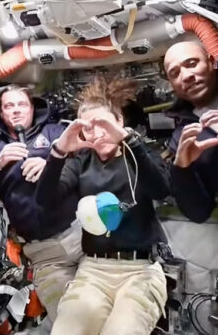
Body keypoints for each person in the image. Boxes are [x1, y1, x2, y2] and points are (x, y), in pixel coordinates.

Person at [35, 76, 169, 335]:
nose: (97, 135)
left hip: (140, 270)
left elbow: (161, 189)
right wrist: (58, 152)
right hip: (94, 270)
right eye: (88, 128)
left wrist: (130, 141)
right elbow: (44, 200)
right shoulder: (81, 161)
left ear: (119, 121)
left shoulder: (139, 155)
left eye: (103, 125)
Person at [0, 85, 83, 322]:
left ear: (32, 108)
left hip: (80, 236)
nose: (16, 110)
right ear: (2, 113)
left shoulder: (55, 132)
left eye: (22, 104)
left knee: (104, 305)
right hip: (43, 252)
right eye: (9, 106)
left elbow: (85, 161)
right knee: (68, 319)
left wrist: (52, 162)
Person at [164, 41, 218, 223]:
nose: (186, 76)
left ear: (211, 62)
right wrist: (181, 168)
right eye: (175, 73)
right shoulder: (182, 138)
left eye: (192, 63)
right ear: (172, 84)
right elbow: (198, 213)